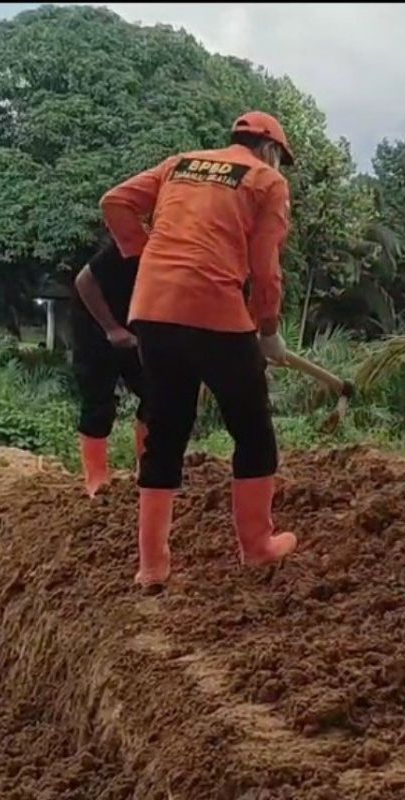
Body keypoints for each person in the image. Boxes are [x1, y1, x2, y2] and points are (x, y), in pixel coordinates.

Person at [100, 111, 297, 589]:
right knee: (252, 430)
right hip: (215, 309)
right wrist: (266, 327)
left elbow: (115, 202)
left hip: (153, 307)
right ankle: (257, 546)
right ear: (270, 150)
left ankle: (152, 567)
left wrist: (143, 252)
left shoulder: (179, 164)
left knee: (166, 429)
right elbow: (266, 269)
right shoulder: (267, 181)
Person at [70, 233, 148, 497]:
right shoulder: (136, 242)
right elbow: (84, 280)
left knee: (158, 394)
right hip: (95, 321)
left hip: (137, 323)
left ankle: (147, 470)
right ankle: (96, 477)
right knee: (98, 400)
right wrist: (112, 329)